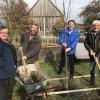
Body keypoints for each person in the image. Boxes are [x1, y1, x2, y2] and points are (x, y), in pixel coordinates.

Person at [0, 25, 17, 100]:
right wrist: (4, 65)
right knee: (2, 93)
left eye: (6, 32)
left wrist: (14, 65)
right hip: (2, 72)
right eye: (2, 32)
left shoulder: (7, 42)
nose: (5, 34)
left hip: (8, 71)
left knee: (6, 90)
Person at [84, 20, 100, 85]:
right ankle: (92, 81)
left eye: (97, 25)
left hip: (99, 55)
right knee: (91, 69)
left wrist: (97, 56)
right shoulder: (89, 33)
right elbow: (86, 43)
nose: (96, 27)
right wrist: (89, 50)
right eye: (94, 25)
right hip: (92, 55)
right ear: (92, 26)